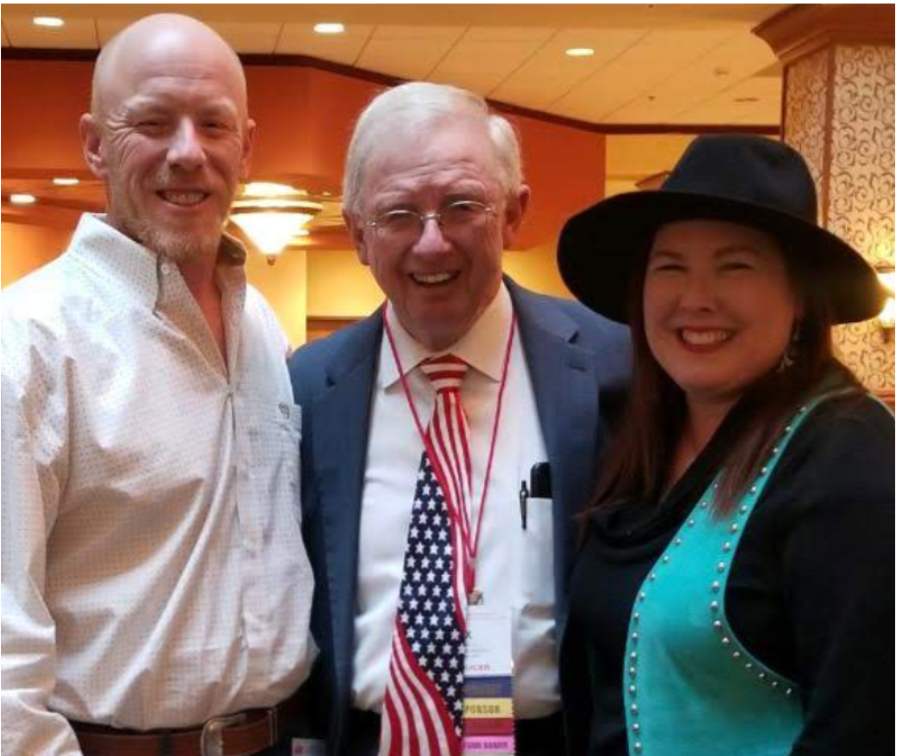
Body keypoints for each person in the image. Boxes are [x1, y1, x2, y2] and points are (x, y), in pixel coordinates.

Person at [1, 14, 315, 756]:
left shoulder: (262, 325)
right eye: (151, 123)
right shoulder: (29, 341)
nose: (188, 153)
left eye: (213, 124)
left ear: (247, 145)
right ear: (93, 144)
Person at [288, 82, 630, 756]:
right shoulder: (306, 388)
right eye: (398, 215)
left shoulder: (616, 369)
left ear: (513, 214)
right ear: (358, 234)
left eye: (461, 207)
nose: (432, 244)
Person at [556, 134, 894, 756]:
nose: (696, 299)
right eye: (671, 266)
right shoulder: (635, 441)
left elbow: (863, 726)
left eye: (735, 266)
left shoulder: (848, 456)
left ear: (800, 297)